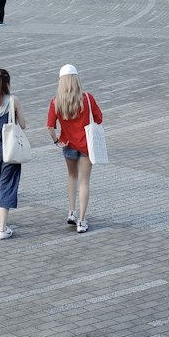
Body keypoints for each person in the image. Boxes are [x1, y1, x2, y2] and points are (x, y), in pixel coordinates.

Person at [47, 63, 102, 234]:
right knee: (84, 182)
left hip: (68, 144)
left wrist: (57, 141)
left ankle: (71, 211)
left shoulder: (56, 101)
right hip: (86, 145)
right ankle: (82, 220)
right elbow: (99, 119)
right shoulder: (87, 98)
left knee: (72, 176)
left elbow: (50, 126)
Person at [0, 68, 26, 240]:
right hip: (9, 148)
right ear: (7, 83)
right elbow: (22, 124)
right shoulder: (13, 100)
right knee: (7, 184)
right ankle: (3, 227)